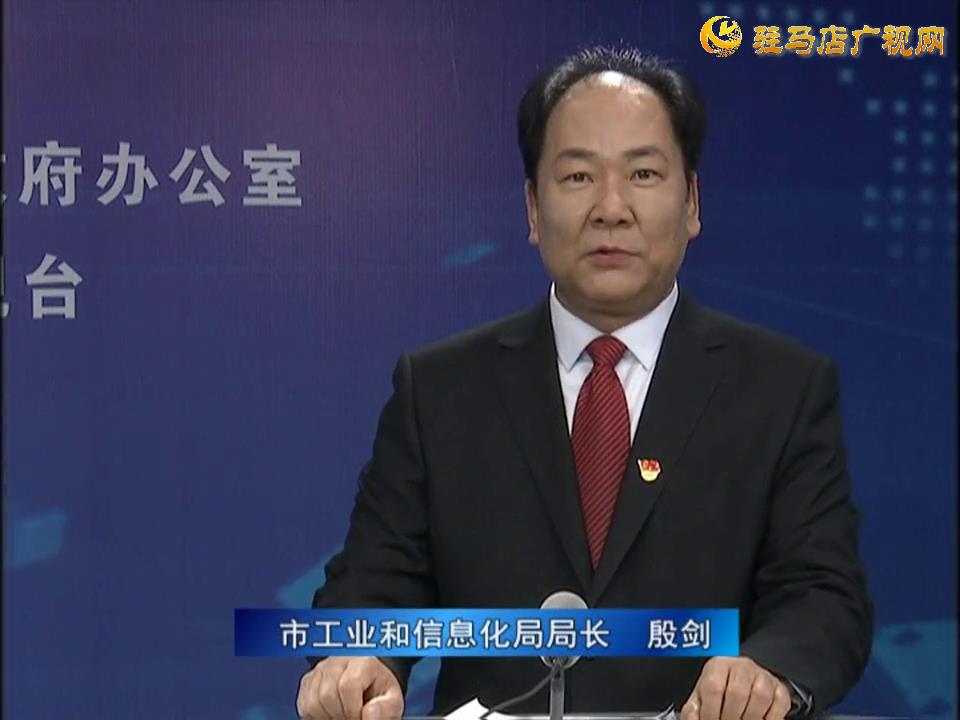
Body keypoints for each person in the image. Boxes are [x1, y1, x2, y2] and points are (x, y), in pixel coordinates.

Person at [296, 46, 873, 720]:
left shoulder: (782, 388)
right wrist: (359, 660)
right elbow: (373, 580)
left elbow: (823, 594)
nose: (611, 208)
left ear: (691, 202)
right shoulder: (441, 389)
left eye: (644, 173)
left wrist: (767, 671)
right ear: (532, 208)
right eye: (577, 176)